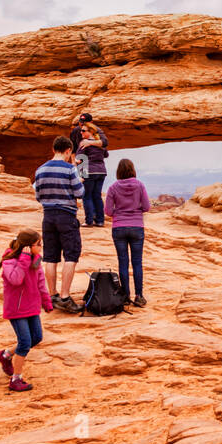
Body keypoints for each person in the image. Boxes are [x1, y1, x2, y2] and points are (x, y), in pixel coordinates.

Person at [0, 228, 53, 392]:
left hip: (32, 306)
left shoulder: (36, 260)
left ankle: (5, 355)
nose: (41, 247)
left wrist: (46, 301)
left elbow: (40, 281)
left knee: (36, 337)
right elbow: (15, 280)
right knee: (25, 342)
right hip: (17, 308)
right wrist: (24, 260)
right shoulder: (10, 260)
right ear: (27, 247)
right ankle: (16, 379)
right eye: (38, 244)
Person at [34, 136, 84, 312]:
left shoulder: (40, 170)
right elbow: (79, 192)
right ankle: (65, 296)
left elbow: (38, 196)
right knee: (71, 255)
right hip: (66, 215)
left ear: (53, 148)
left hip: (48, 216)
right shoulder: (70, 169)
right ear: (68, 150)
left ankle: (52, 295)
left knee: (50, 256)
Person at [105, 158, 152, 307]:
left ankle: (125, 296)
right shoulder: (139, 185)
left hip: (119, 227)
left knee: (123, 263)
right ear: (132, 170)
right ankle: (139, 296)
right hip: (137, 227)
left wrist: (118, 213)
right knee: (137, 262)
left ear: (118, 171)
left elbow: (107, 211)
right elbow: (146, 207)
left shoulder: (113, 188)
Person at [75, 122, 109, 227]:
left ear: (90, 132)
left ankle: (89, 221)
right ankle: (100, 221)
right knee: (97, 196)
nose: (81, 132)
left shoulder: (84, 143)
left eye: (83, 131)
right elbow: (106, 154)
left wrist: (81, 175)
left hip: (89, 171)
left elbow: (80, 159)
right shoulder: (99, 143)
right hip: (101, 171)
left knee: (87, 196)